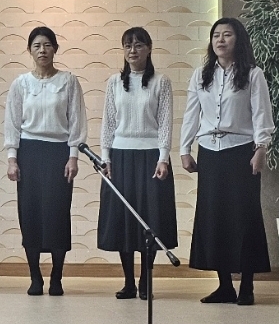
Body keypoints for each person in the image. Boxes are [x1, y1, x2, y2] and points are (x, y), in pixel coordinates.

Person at [180, 17, 275, 306]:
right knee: (215, 218)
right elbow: (191, 113)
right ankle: (224, 286)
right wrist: (185, 148)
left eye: (227, 35)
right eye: (216, 35)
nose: (220, 40)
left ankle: (246, 286)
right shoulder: (201, 75)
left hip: (241, 152)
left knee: (244, 218)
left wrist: (261, 148)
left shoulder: (253, 74)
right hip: (210, 151)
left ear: (238, 39)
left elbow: (262, 113)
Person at [4, 25, 86, 296]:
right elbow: (12, 124)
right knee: (30, 214)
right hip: (29, 154)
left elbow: (76, 121)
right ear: (29, 50)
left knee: (57, 214)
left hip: (58, 154)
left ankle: (57, 277)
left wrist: (73, 156)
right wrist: (12, 159)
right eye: (37, 46)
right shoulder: (20, 84)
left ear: (55, 49)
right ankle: (35, 277)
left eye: (47, 45)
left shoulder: (68, 81)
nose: (42, 50)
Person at [98, 27, 177, 300]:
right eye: (128, 46)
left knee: (149, 218)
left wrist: (163, 157)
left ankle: (146, 280)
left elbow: (165, 122)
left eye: (139, 45)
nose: (133, 50)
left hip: (151, 157)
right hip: (120, 157)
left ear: (149, 48)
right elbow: (108, 122)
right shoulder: (113, 82)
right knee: (123, 219)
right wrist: (105, 157)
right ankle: (129, 282)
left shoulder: (161, 81)